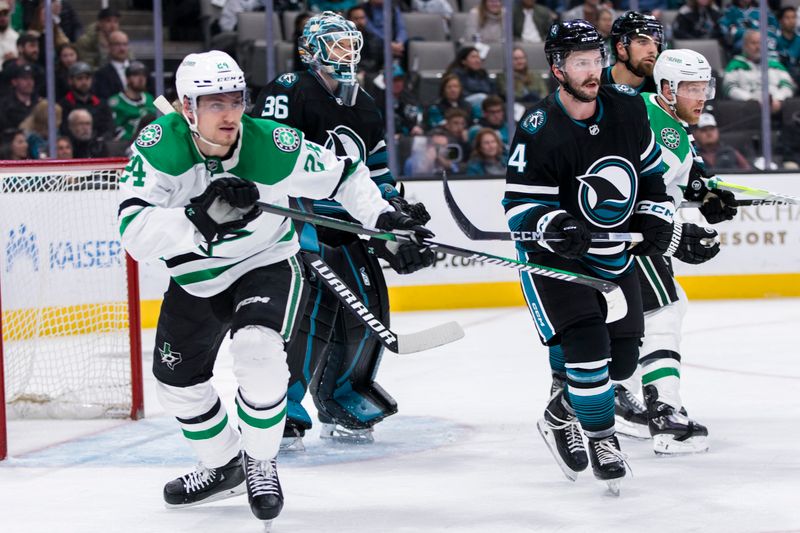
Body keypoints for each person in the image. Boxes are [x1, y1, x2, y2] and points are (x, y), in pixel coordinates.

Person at [118, 49, 431, 524]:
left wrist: (384, 218)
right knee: (176, 384)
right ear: (187, 108)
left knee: (258, 351)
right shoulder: (160, 148)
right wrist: (198, 215)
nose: (229, 114)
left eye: (235, 99)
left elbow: (344, 176)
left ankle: (260, 461)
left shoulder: (271, 144)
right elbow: (133, 230)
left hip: (264, 262)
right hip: (196, 274)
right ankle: (224, 464)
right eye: (214, 103)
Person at [252, 12, 435, 448]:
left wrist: (398, 215)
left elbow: (376, 172)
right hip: (300, 221)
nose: (347, 53)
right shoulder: (289, 89)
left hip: (350, 221)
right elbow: (270, 153)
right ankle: (284, 410)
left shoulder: (365, 106)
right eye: (336, 45)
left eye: (350, 44)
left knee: (369, 305)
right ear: (311, 50)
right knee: (310, 311)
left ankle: (341, 398)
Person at [505, 20, 673, 489]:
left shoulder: (627, 111)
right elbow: (518, 206)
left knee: (621, 365)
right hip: (555, 261)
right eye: (580, 62)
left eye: (596, 59)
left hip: (613, 255)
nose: (592, 70)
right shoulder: (539, 128)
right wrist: (552, 224)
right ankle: (602, 438)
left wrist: (656, 215)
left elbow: (652, 177)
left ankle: (561, 415)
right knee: (587, 353)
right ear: (557, 68)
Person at [614, 49, 738, 453]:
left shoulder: (660, 113)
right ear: (667, 88)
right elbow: (642, 192)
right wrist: (677, 233)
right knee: (664, 310)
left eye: (705, 87)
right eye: (690, 88)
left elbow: (681, 177)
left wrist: (706, 190)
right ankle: (665, 415)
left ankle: (618, 399)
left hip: (636, 235)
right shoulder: (660, 124)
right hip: (638, 237)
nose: (700, 96)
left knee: (639, 317)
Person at [723, 29, 796, 115]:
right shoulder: (735, 66)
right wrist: (752, 100)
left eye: (760, 43)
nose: (758, 47)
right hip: (747, 109)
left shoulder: (775, 65)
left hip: (778, 106)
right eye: (753, 43)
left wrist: (778, 99)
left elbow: (788, 85)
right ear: (745, 46)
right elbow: (729, 88)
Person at [602, 11, 663, 94]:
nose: (653, 50)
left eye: (656, 43)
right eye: (643, 42)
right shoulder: (596, 83)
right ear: (621, 48)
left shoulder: (661, 90)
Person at [59, 61, 115, 139]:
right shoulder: (63, 105)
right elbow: (63, 130)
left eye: (87, 78)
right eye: (79, 78)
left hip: (98, 146)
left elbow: (109, 128)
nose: (84, 82)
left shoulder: (101, 104)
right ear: (70, 81)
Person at [108, 61, 157, 141]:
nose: (141, 78)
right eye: (135, 75)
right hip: (126, 147)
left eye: (143, 75)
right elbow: (115, 130)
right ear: (127, 79)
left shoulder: (149, 98)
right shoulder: (116, 102)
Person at [92, 30, 132, 100]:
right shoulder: (101, 74)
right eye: (117, 44)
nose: (122, 49)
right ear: (109, 47)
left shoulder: (140, 68)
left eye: (125, 44)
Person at [0, 63, 39, 132]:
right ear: (14, 82)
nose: (29, 82)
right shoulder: (5, 105)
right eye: (25, 79)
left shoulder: (39, 102)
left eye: (31, 78)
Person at [777, 6, 800, 85]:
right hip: (778, 75)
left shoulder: (799, 40)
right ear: (780, 20)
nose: (791, 21)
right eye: (787, 18)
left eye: (794, 17)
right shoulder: (774, 39)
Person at [0, 1, 19, 68]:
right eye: (0, 15)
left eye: (5, 14)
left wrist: (14, 58)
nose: (2, 18)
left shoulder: (15, 37)